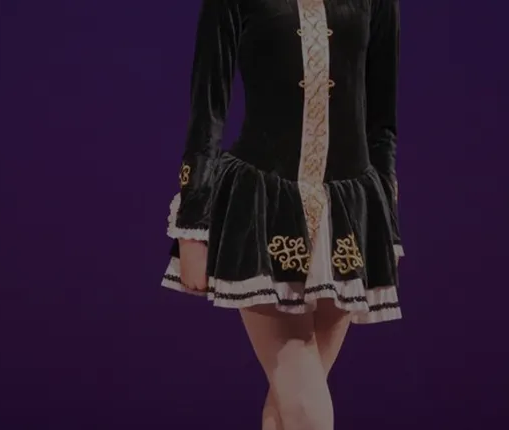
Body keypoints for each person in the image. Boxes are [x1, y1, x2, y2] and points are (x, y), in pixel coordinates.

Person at [159, 1, 404, 429]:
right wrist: (192, 225)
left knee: (286, 409)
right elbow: (208, 114)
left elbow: (381, 123)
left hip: (348, 215)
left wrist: (386, 226)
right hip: (260, 210)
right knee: (304, 401)